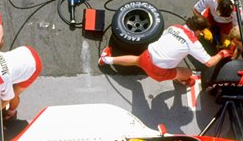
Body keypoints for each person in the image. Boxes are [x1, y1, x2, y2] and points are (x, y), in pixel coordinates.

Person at [98, 15, 233, 87]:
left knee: (135, 60)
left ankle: (105, 59)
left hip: (146, 56)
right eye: (201, 32)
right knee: (188, 73)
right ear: (197, 30)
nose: (201, 34)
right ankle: (180, 80)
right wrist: (222, 53)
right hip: (158, 72)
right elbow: (209, 63)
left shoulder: (175, 27)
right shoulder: (193, 41)